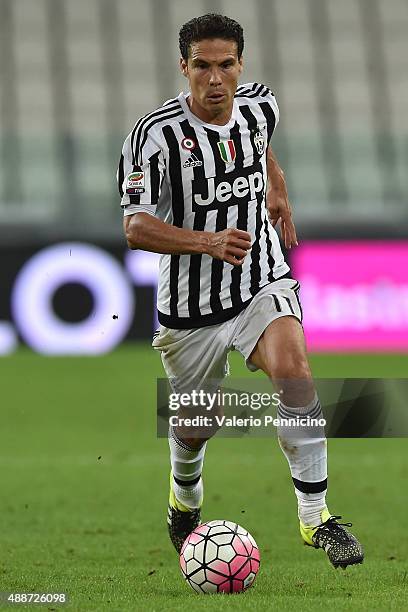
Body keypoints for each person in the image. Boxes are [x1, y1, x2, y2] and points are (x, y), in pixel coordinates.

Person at [117, 14, 363, 568]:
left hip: (261, 281)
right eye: (201, 66)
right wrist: (206, 241)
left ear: (240, 65)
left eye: (225, 65)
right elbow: (135, 228)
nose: (215, 79)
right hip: (190, 307)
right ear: (184, 67)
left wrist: (277, 189)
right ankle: (184, 495)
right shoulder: (153, 136)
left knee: (295, 373)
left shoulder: (260, 106)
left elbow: (260, 143)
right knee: (195, 427)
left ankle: (315, 517)